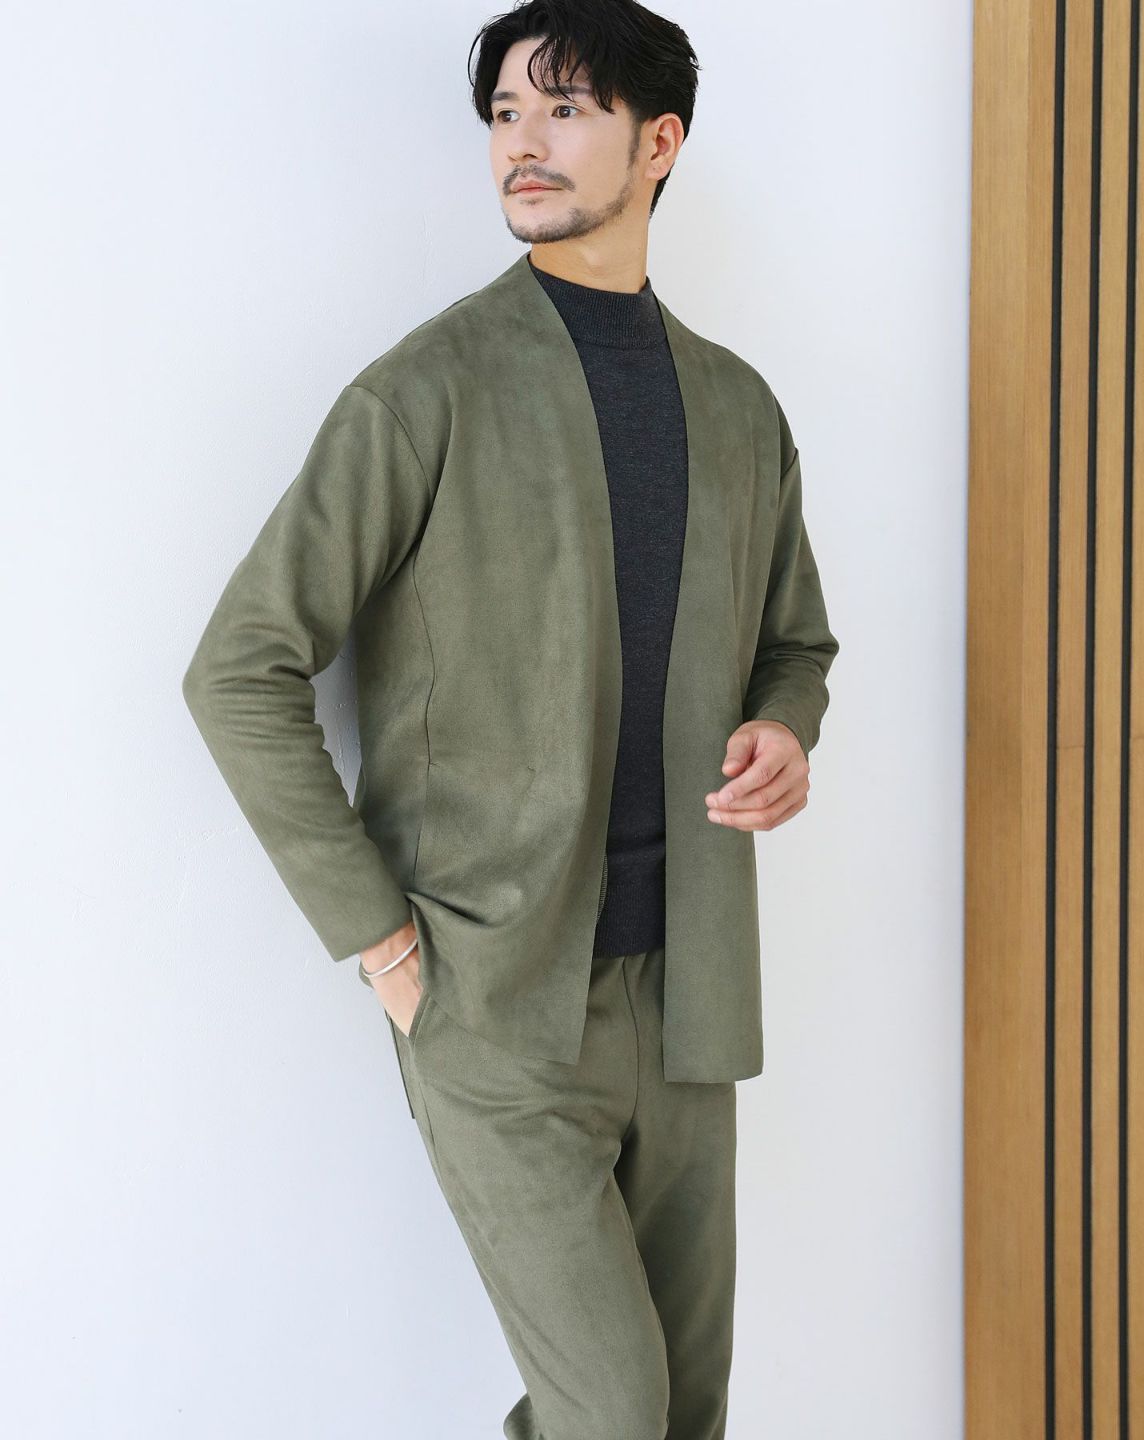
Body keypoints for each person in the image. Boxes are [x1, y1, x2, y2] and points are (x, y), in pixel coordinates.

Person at [182, 1, 839, 1435]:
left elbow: (797, 643)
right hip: (493, 996)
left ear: (659, 143)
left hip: (690, 997)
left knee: (684, 1413)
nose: (522, 144)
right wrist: (382, 943)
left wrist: (787, 727)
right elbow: (238, 667)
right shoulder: (427, 390)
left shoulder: (739, 411)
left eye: (566, 109)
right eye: (504, 114)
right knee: (614, 1414)